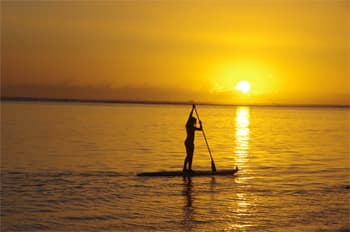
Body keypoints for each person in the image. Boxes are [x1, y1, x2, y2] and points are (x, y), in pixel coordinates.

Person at [183, 104, 202, 173]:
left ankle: (189, 169)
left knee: (191, 156)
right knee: (189, 155)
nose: (195, 123)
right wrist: (193, 109)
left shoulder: (193, 127)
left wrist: (201, 124)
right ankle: (185, 169)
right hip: (188, 142)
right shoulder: (188, 125)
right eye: (194, 122)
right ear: (191, 121)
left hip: (191, 143)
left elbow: (201, 129)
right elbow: (189, 116)